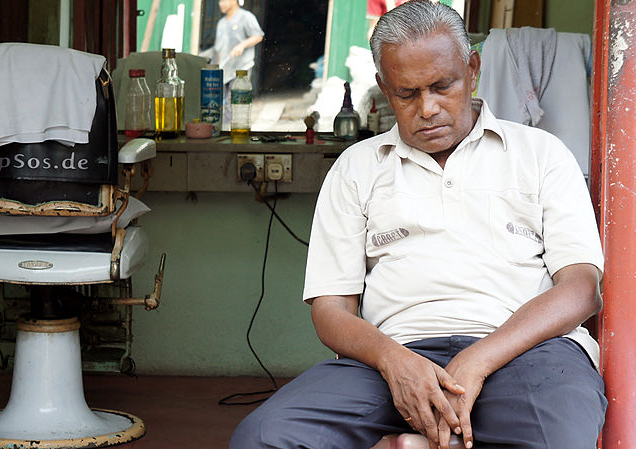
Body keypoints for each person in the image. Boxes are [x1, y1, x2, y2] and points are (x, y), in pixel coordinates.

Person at [229, 1, 606, 449]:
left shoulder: (541, 155)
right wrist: (394, 361)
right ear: (384, 88)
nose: (427, 109)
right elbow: (331, 311)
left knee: (556, 440)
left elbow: (581, 289)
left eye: (442, 86)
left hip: (527, 353)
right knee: (264, 437)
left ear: (472, 69)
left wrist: (478, 360)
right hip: (391, 359)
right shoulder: (356, 168)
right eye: (407, 93)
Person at [213, 0, 264, 124]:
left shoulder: (246, 17)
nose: (220, 4)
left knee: (235, 103)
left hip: (241, 69)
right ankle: (226, 132)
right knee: (223, 104)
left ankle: (234, 133)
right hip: (225, 70)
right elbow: (219, 49)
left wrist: (242, 45)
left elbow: (258, 36)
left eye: (223, 1)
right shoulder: (221, 23)